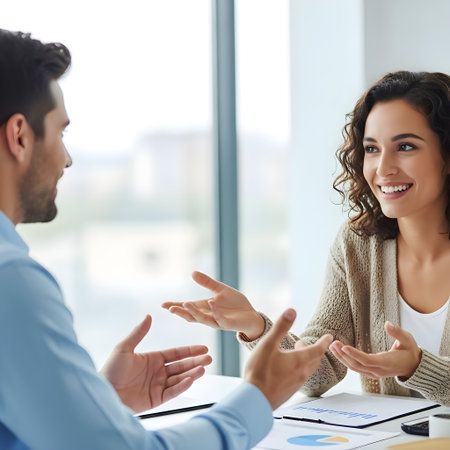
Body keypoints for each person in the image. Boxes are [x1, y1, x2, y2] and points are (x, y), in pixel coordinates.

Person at [0, 29, 334, 450]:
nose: (66, 159)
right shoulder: (11, 280)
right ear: (19, 136)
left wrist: (98, 401)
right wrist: (257, 400)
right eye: (61, 133)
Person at [163, 70, 450, 406]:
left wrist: (418, 366)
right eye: (371, 149)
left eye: (405, 146)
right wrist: (256, 326)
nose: (383, 168)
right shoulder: (357, 244)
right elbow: (318, 371)